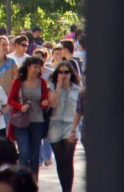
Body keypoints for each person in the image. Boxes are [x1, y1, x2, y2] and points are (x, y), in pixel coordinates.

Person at [6, 56, 49, 178]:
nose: (37, 69)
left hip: (37, 121)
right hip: (21, 122)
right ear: (28, 67)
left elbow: (44, 99)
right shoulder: (19, 81)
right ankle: (22, 182)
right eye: (35, 66)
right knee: (24, 153)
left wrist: (45, 102)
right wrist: (20, 106)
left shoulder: (42, 82)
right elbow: (10, 99)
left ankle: (33, 182)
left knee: (35, 155)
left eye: (39, 67)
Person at [45, 61, 82, 192]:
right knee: (60, 161)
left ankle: (68, 190)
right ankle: (64, 188)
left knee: (68, 159)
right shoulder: (52, 87)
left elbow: (79, 110)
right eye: (60, 72)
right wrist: (59, 86)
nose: (63, 74)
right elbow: (53, 103)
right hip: (55, 125)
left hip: (70, 125)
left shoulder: (77, 89)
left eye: (66, 72)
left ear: (71, 74)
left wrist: (74, 128)